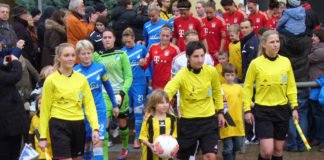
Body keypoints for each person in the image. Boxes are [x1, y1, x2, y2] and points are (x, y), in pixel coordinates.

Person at [164, 41, 225, 160]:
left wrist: (221, 112)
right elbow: (168, 91)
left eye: (202, 56)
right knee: (183, 157)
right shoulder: (181, 75)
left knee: (210, 156)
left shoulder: (211, 71)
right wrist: (158, 106)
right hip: (188, 122)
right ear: (188, 57)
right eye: (196, 56)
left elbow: (217, 91)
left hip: (209, 120)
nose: (200, 60)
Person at [243, 30, 299, 160]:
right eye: (272, 42)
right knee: (267, 151)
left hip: (282, 110)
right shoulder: (255, 63)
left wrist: (295, 107)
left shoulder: (285, 62)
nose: (275, 45)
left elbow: (291, 86)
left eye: (277, 41)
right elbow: (247, 88)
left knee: (278, 150)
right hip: (263, 110)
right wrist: (247, 109)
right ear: (264, 44)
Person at [39, 43, 100, 159]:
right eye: (66, 55)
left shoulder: (81, 79)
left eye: (72, 55)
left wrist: (95, 128)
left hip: (78, 124)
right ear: (59, 58)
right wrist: (43, 136)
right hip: (59, 124)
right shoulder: (51, 80)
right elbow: (45, 109)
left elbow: (89, 105)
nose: (70, 58)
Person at [74, 40, 118, 160]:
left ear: (92, 53)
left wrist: (114, 105)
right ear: (78, 55)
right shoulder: (75, 72)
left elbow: (108, 87)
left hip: (99, 110)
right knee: (87, 144)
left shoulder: (100, 68)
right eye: (83, 54)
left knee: (98, 142)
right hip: (83, 113)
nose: (87, 56)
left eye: (89, 53)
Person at [93, 29, 133, 159]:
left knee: (123, 125)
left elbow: (128, 76)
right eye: (104, 38)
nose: (107, 40)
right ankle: (104, 157)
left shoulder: (122, 54)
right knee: (103, 127)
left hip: (120, 93)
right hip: (104, 95)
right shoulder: (96, 56)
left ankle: (125, 147)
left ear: (114, 39)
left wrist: (122, 93)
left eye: (109, 37)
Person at [121, 28, 148, 149]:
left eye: (129, 41)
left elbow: (148, 63)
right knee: (129, 111)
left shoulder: (142, 49)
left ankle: (137, 138)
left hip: (139, 83)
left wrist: (149, 77)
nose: (127, 43)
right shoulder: (121, 53)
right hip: (127, 85)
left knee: (138, 110)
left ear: (133, 38)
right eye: (125, 42)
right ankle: (133, 132)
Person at [0, 55, 28, 159]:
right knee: (8, 154)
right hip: (7, 125)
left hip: (10, 125)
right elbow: (15, 76)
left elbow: (7, 60)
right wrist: (16, 62)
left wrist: (8, 59)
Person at [139, 89, 177, 160]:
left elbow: (174, 136)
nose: (165, 105)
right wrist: (150, 145)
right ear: (154, 104)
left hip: (166, 156)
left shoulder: (172, 118)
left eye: (167, 102)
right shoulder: (148, 119)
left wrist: (173, 146)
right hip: (149, 155)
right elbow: (142, 137)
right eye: (161, 103)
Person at [140, 25, 179, 90]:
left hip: (169, 84)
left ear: (171, 36)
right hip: (156, 83)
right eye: (163, 35)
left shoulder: (175, 49)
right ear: (159, 35)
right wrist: (141, 63)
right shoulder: (153, 47)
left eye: (167, 36)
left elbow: (178, 68)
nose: (165, 38)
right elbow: (145, 64)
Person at [220, 63, 245, 160]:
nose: (230, 77)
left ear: (235, 75)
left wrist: (252, 104)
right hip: (227, 120)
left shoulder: (239, 87)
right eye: (227, 75)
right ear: (223, 75)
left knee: (237, 145)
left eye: (232, 75)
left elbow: (245, 98)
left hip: (237, 121)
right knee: (228, 147)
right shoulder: (221, 88)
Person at [308, 29, 324, 152]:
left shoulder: (320, 51)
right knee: (315, 115)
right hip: (316, 87)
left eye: (314, 36)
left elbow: (305, 60)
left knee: (318, 115)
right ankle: (317, 138)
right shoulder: (316, 49)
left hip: (319, 89)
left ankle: (320, 139)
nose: (312, 38)